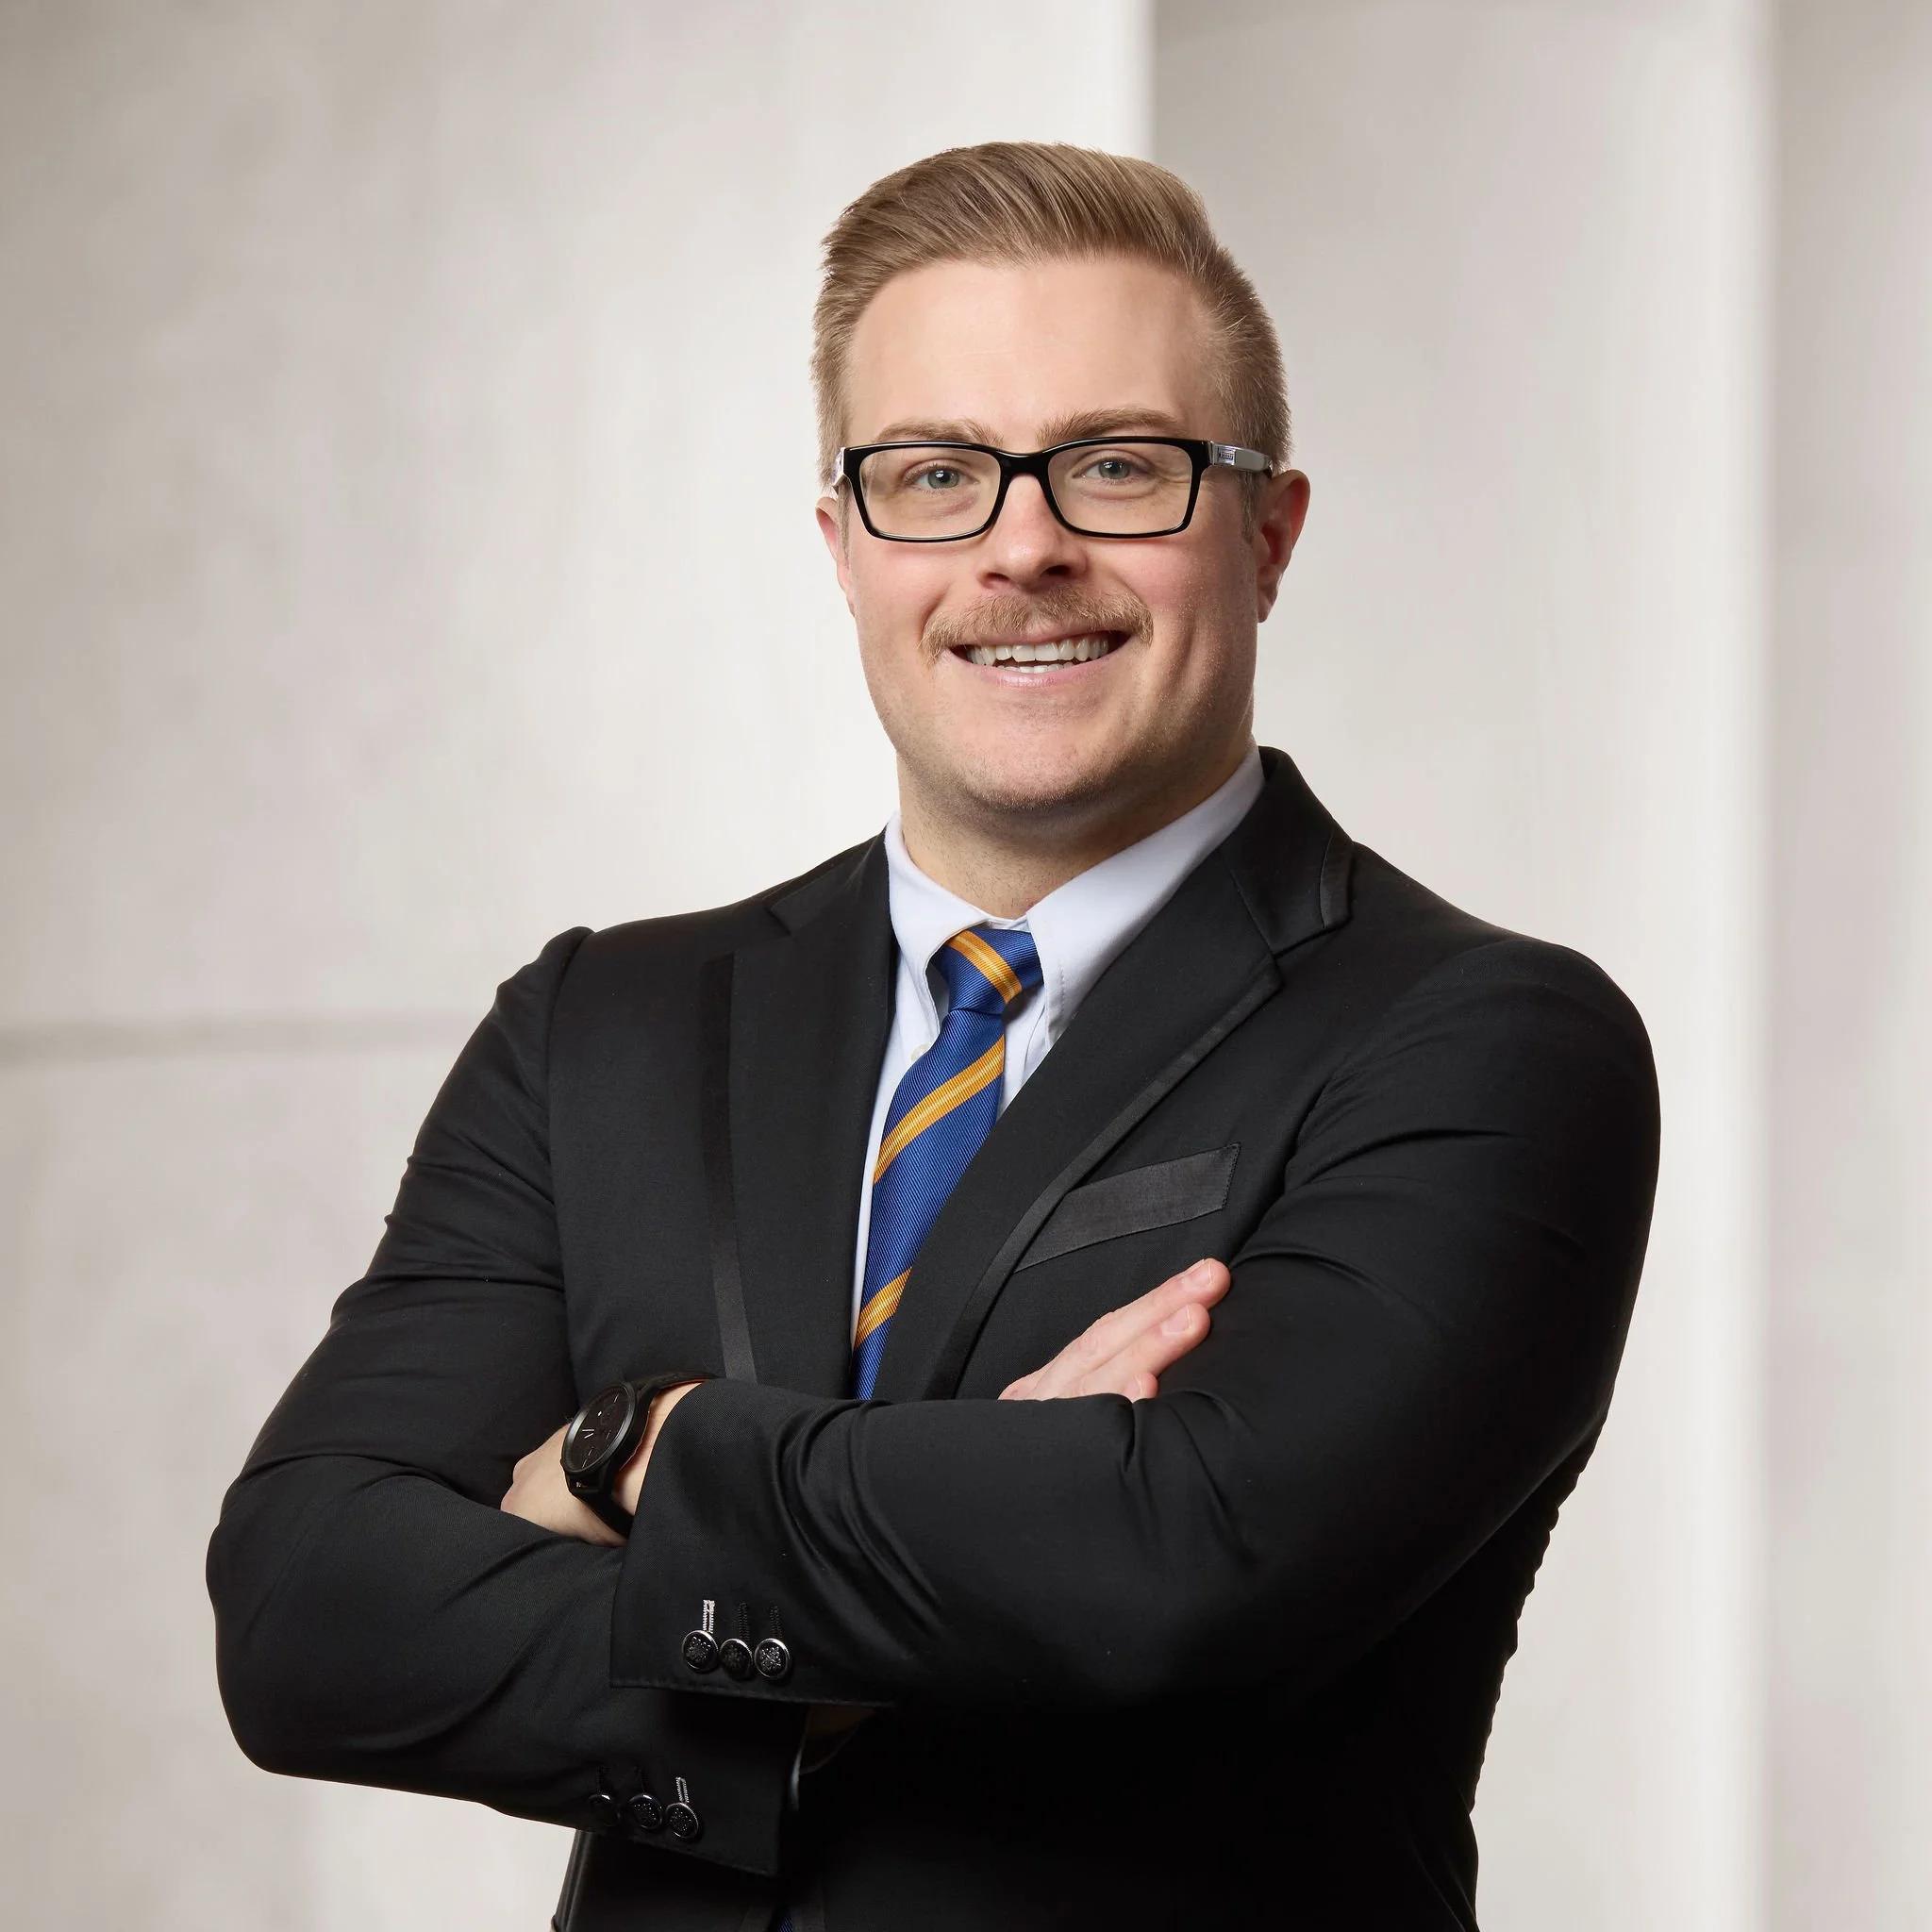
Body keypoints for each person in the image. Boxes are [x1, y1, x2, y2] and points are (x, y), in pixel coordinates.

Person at [208, 143, 1659, 1931]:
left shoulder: (1485, 1042)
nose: (1022, 545)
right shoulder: (605, 1027)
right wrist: (892, 1625)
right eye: (935, 475)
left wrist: (637, 1451)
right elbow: (304, 1614)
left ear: (1268, 536)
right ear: (842, 546)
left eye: (1119, 467)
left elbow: (1171, 1566)